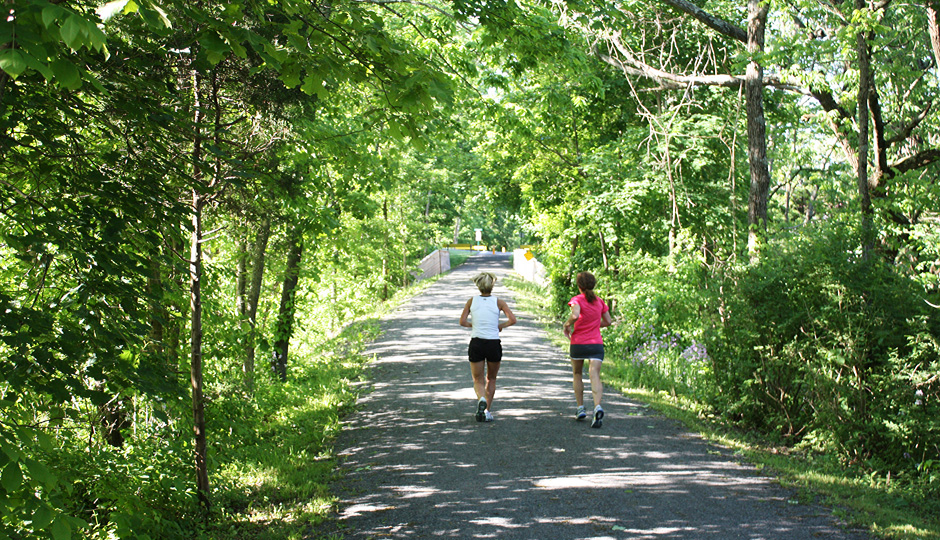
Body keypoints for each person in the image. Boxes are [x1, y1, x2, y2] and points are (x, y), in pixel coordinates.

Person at [459, 272, 516, 422]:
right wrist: (499, 326)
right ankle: (487, 411)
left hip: (477, 342)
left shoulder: (471, 301)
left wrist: (474, 325)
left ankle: (481, 399)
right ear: (492, 285)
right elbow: (512, 320)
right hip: (493, 343)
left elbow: (462, 322)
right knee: (491, 378)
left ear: (478, 286)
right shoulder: (499, 302)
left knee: (478, 379)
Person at [563, 271, 613, 428]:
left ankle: (580, 408)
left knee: (577, 374)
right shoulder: (600, 301)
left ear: (579, 286)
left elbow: (576, 314)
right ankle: (597, 406)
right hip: (596, 344)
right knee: (595, 375)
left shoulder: (577, 299)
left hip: (578, 344)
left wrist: (567, 324)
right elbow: (609, 321)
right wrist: (593, 325)